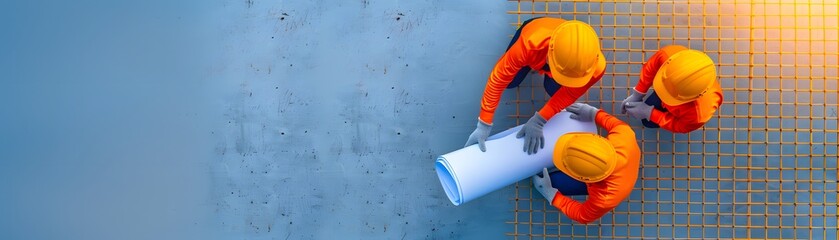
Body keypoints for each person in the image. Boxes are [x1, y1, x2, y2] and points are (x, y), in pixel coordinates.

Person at [464, 17, 606, 155]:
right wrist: (484, 122)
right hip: (535, 37)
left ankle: (549, 76)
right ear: (550, 54)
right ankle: (532, 67)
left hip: (558, 54)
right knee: (511, 82)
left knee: (554, 90)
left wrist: (539, 120)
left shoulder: (595, 68)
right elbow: (498, 79)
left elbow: (569, 94)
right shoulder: (528, 44)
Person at [532, 103, 640, 224]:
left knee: (555, 182)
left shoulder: (604, 198)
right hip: (621, 167)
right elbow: (614, 123)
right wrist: (593, 113)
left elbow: (583, 215)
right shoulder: (624, 135)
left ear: (586, 179)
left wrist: (553, 196)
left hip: (613, 184)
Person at [621, 45, 723, 133]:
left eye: (668, 94)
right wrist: (638, 93)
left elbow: (680, 126)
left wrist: (650, 113)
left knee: (648, 122)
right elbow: (650, 68)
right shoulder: (670, 55)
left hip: (684, 110)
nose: (663, 95)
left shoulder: (699, 114)